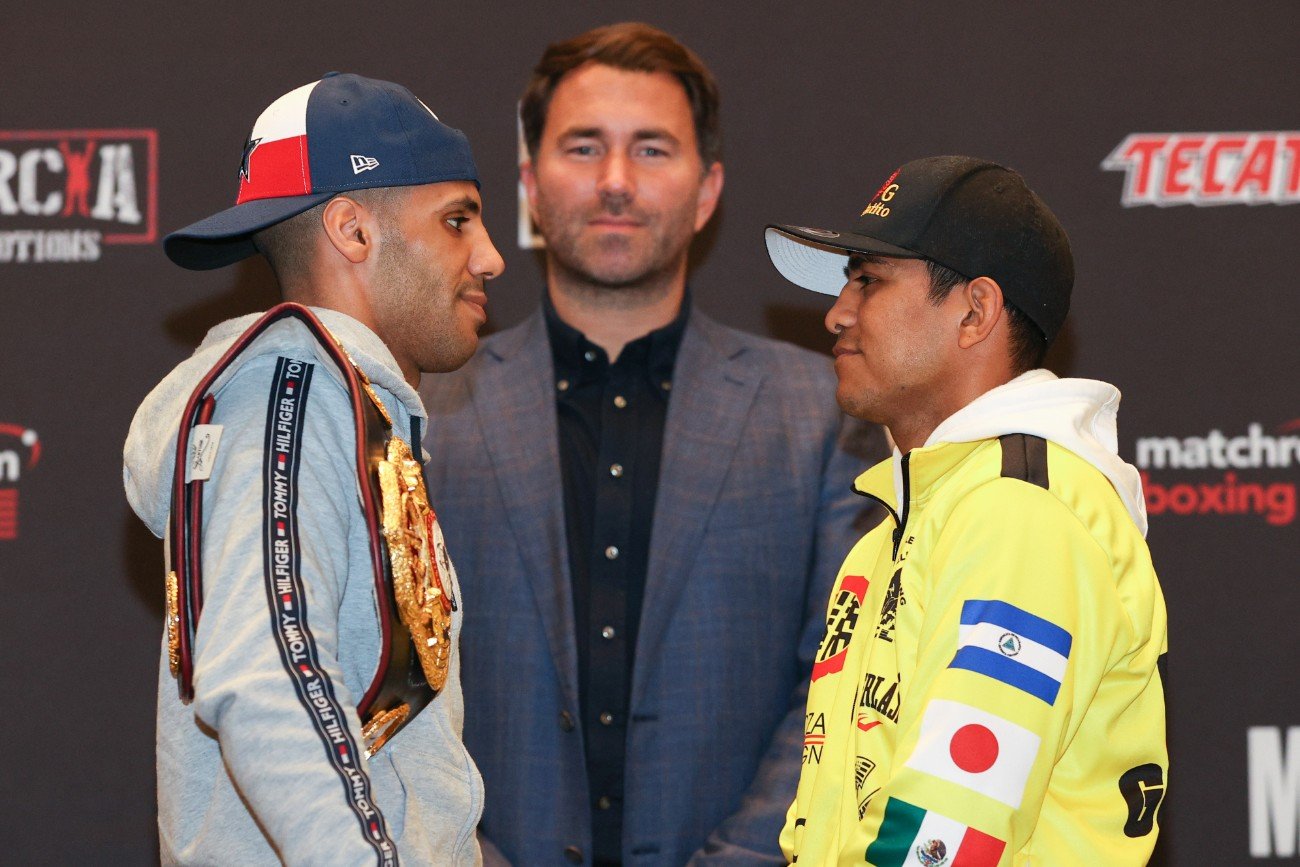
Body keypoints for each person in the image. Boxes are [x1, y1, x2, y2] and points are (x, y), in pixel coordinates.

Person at [420, 22, 884, 867]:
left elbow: (843, 683)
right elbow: (388, 690)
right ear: (529, 183)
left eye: (654, 150)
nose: (617, 182)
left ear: (708, 190)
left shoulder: (823, 414)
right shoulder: (425, 411)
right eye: (584, 147)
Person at [123, 72, 505, 865]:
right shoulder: (289, 394)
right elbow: (269, 678)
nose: (492, 256)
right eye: (458, 220)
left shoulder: (334, 403)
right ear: (352, 230)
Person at [764, 155, 1169, 863]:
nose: (836, 312)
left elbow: (943, 841)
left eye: (869, 281)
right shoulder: (894, 530)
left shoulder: (1021, 514)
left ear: (976, 312)